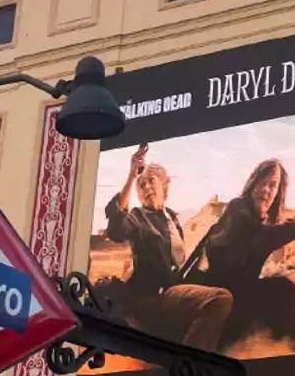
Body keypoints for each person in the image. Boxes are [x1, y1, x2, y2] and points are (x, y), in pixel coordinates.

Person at [99, 146, 234, 351]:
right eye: (141, 185)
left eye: (150, 181)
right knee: (221, 299)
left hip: (174, 289)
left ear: (163, 184)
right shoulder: (138, 216)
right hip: (154, 296)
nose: (146, 187)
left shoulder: (172, 219)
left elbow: (180, 267)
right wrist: (132, 175)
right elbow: (116, 229)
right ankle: (190, 360)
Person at [195, 159, 295, 349]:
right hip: (222, 295)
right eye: (262, 182)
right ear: (253, 183)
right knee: (282, 289)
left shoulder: (258, 219)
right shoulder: (238, 208)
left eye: (273, 185)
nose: (266, 190)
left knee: (287, 282)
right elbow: (263, 237)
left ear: (278, 193)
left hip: (238, 293)